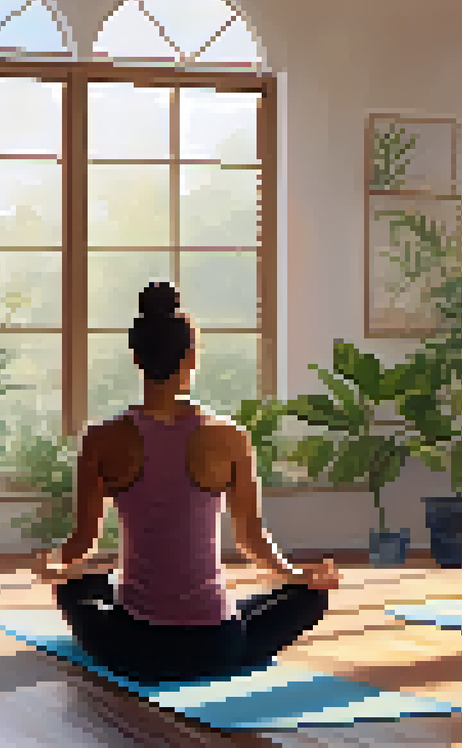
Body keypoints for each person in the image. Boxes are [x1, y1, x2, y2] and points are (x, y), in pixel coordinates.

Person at [32, 281, 339, 684]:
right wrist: (298, 576)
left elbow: (83, 542)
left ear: (136, 356)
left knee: (77, 588)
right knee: (309, 598)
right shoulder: (229, 437)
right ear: (191, 357)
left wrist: (52, 565)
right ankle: (231, 638)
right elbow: (251, 541)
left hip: (133, 645)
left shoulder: (101, 439)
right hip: (215, 644)